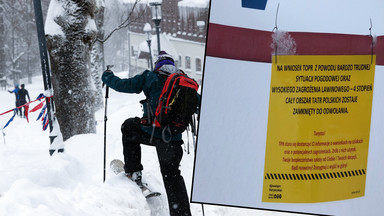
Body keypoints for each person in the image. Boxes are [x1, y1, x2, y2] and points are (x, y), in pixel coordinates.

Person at [102, 51, 192, 216]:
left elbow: (124, 85)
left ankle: (134, 171)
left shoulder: (149, 77)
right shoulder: (184, 83)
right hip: (173, 140)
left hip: (152, 133)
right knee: (172, 176)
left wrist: (107, 77)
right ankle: (182, 213)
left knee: (128, 127)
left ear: (157, 67)